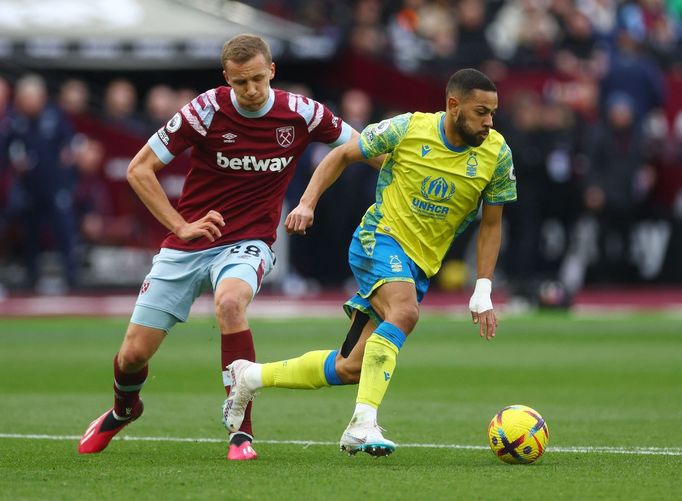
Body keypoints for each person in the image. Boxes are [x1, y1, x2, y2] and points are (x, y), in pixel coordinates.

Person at [77, 34, 363, 461]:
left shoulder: (301, 112)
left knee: (230, 304)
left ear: (272, 71)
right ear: (226, 78)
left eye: (257, 81)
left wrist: (403, 165)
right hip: (188, 242)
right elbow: (140, 170)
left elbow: (361, 145)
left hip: (248, 241)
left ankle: (240, 434)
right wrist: (180, 224)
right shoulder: (205, 110)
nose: (250, 91)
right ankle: (124, 410)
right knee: (132, 355)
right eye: (240, 82)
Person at [223, 68, 517, 457]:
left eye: (493, 113)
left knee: (351, 368)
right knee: (405, 312)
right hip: (378, 239)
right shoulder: (409, 129)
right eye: (481, 112)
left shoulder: (497, 154)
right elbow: (342, 153)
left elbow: (492, 225)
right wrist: (307, 203)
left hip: (419, 266)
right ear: (453, 105)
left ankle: (249, 376)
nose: (489, 122)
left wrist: (483, 288)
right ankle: (362, 424)